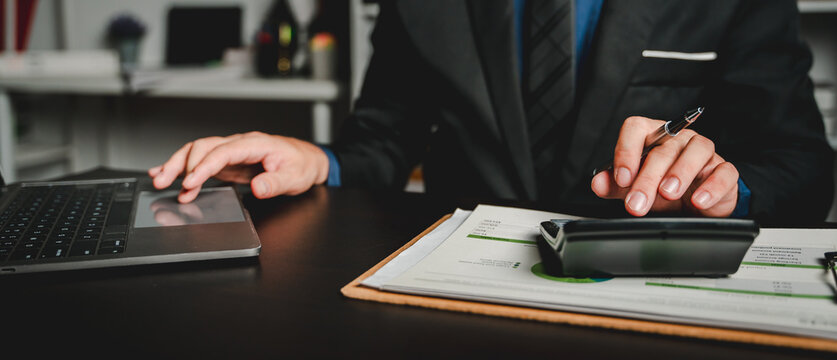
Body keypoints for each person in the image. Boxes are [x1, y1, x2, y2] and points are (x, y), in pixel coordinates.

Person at [149, 0, 834, 222]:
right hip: (455, 311)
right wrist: (315, 158)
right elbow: (382, 145)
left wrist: (724, 187)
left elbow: (803, 164)